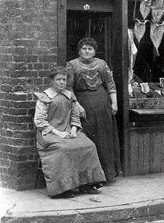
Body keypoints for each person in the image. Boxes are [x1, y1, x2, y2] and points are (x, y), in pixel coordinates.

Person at [34, 66, 106, 198]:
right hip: (49, 134)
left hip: (68, 131)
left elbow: (75, 117)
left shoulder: (69, 96)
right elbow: (39, 121)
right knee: (62, 149)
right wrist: (58, 133)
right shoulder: (45, 97)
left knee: (88, 146)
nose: (62, 82)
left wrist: (73, 129)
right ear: (51, 81)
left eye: (64, 79)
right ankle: (61, 189)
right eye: (58, 79)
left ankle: (86, 184)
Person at [66, 38, 121, 181]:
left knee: (104, 138)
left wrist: (114, 103)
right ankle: (89, 178)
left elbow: (110, 84)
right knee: (88, 138)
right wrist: (76, 105)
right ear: (79, 51)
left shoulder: (101, 64)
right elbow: (68, 87)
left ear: (94, 51)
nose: (87, 51)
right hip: (83, 104)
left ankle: (106, 175)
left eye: (90, 49)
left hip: (102, 104)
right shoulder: (72, 65)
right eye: (84, 48)